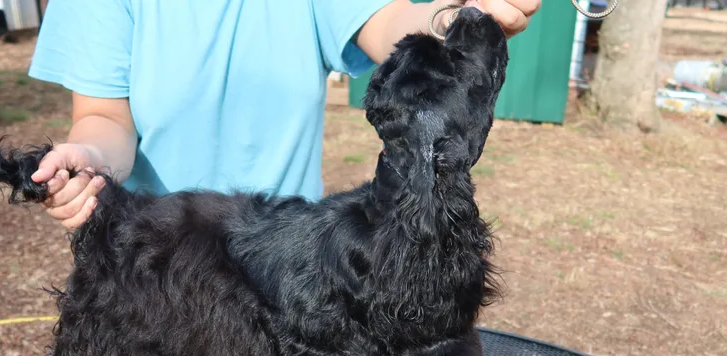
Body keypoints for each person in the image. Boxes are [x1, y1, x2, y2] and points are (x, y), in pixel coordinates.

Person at [27, 0, 540, 230]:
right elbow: (105, 118)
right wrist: (89, 161)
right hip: (159, 262)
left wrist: (457, 18)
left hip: (284, 263)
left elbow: (391, 25)